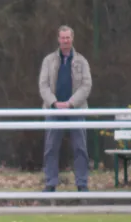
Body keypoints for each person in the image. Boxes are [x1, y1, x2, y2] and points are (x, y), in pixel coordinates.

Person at [39, 25, 92, 192]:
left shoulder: (82, 61)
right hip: (53, 110)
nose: (65, 40)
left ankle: (82, 184)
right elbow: (43, 85)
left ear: (72, 38)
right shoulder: (49, 61)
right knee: (51, 148)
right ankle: (50, 183)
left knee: (80, 148)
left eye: (68, 37)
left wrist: (70, 103)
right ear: (58, 39)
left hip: (76, 110)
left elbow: (86, 85)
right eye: (63, 38)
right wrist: (54, 103)